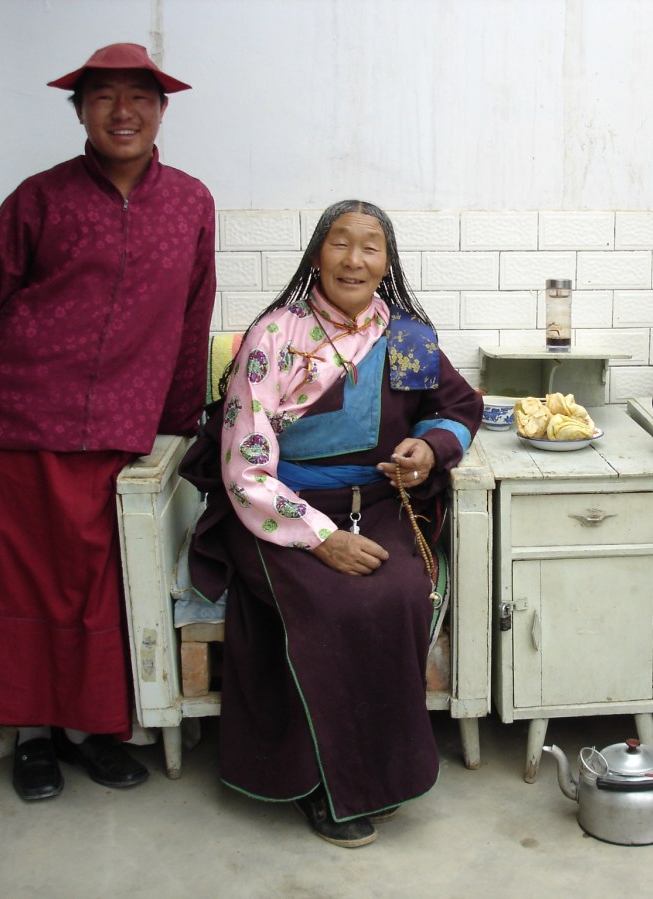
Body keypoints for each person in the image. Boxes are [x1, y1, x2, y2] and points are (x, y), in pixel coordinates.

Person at [0, 43, 216, 801]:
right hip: (18, 422)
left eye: (139, 97)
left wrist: (178, 429)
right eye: (103, 97)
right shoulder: (38, 198)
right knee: (18, 586)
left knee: (96, 589)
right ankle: (30, 737)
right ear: (81, 111)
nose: (122, 112)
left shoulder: (191, 203)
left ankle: (90, 732)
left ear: (162, 110)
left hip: (118, 431)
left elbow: (192, 319)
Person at [181, 200, 482, 849]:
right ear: (317, 254)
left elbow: (458, 407)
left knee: (398, 591)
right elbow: (244, 465)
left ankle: (378, 770)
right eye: (340, 243)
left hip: (377, 505)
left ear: (387, 262)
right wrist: (321, 538)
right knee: (333, 600)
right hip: (276, 509)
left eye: (370, 247)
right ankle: (321, 781)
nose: (354, 259)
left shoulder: (405, 338)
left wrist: (429, 447)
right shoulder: (275, 336)